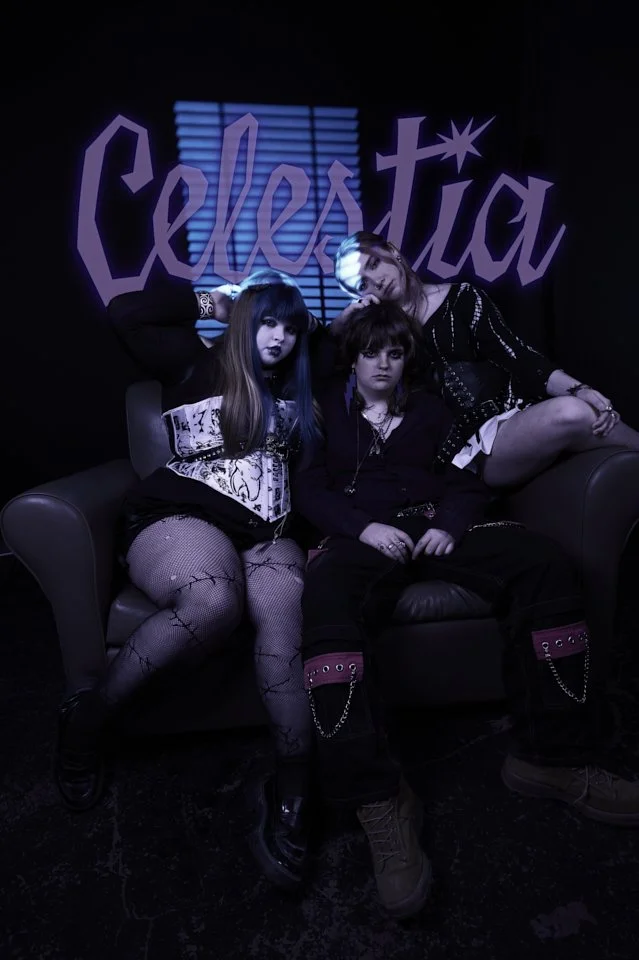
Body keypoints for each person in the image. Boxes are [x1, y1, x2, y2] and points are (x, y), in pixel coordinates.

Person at [292, 300, 639, 920]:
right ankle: (379, 799)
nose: (382, 364)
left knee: (544, 563)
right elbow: (309, 488)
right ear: (352, 357)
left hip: (435, 525)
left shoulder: (432, 407)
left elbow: (465, 476)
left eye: (394, 353)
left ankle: (550, 758)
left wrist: (450, 525)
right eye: (370, 353)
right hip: (360, 535)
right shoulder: (321, 409)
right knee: (323, 595)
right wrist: (363, 528)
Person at [54, 269, 320, 891]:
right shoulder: (195, 362)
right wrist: (214, 303)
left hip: (269, 534)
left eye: (289, 327)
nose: (278, 337)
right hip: (178, 517)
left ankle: (294, 782)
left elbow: (373, 342)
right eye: (266, 322)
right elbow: (126, 313)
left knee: (286, 611)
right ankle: (87, 721)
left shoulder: (303, 382)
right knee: (212, 598)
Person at [331, 231, 639, 487]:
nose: (376, 281)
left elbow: (518, 356)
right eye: (363, 283)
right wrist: (342, 324)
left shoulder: (463, 298)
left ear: (392, 251)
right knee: (571, 412)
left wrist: (580, 388)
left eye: (374, 264)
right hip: (461, 456)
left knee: (585, 410)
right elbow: (328, 370)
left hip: (511, 422)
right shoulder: (378, 339)